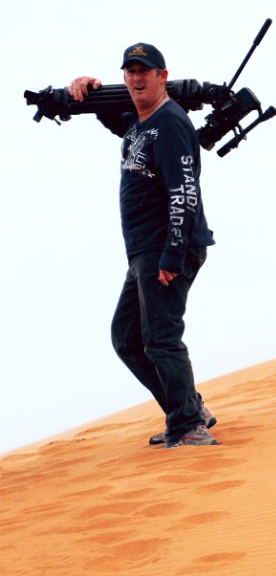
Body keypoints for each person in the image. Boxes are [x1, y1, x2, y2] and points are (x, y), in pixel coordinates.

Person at [68, 42, 218, 448]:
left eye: (144, 71)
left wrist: (172, 252)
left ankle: (188, 426)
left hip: (165, 247)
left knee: (161, 337)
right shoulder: (142, 123)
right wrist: (90, 90)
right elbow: (118, 122)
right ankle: (186, 407)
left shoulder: (169, 122)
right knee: (128, 338)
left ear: (162, 77)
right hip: (143, 250)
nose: (136, 78)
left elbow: (183, 190)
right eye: (130, 71)